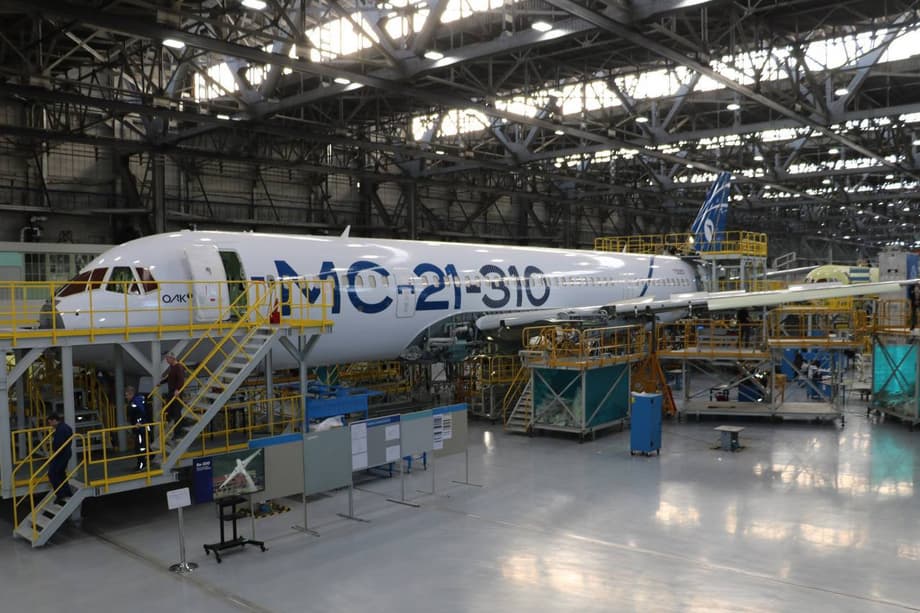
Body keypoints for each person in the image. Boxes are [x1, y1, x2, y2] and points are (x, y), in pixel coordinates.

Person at [46, 413, 73, 504]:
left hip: (60, 455)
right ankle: (67, 492)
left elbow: (58, 444)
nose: (50, 425)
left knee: (52, 474)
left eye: (50, 422)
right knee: (61, 473)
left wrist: (54, 449)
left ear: (54, 420)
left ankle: (60, 495)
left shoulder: (60, 430)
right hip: (65, 454)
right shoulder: (66, 427)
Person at [160, 352, 186, 436]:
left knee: (176, 412)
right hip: (172, 392)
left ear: (172, 358)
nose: (166, 361)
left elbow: (181, 380)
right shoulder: (172, 367)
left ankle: (178, 432)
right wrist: (161, 382)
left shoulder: (178, 367)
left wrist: (178, 389)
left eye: (167, 359)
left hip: (176, 393)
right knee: (169, 410)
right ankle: (174, 427)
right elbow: (169, 377)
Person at [125, 386, 150, 470]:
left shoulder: (136, 401)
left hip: (141, 428)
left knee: (140, 447)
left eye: (127, 395)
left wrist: (140, 422)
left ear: (131, 394)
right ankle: (150, 456)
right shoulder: (135, 401)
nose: (126, 397)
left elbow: (142, 412)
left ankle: (142, 464)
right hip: (139, 427)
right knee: (141, 445)